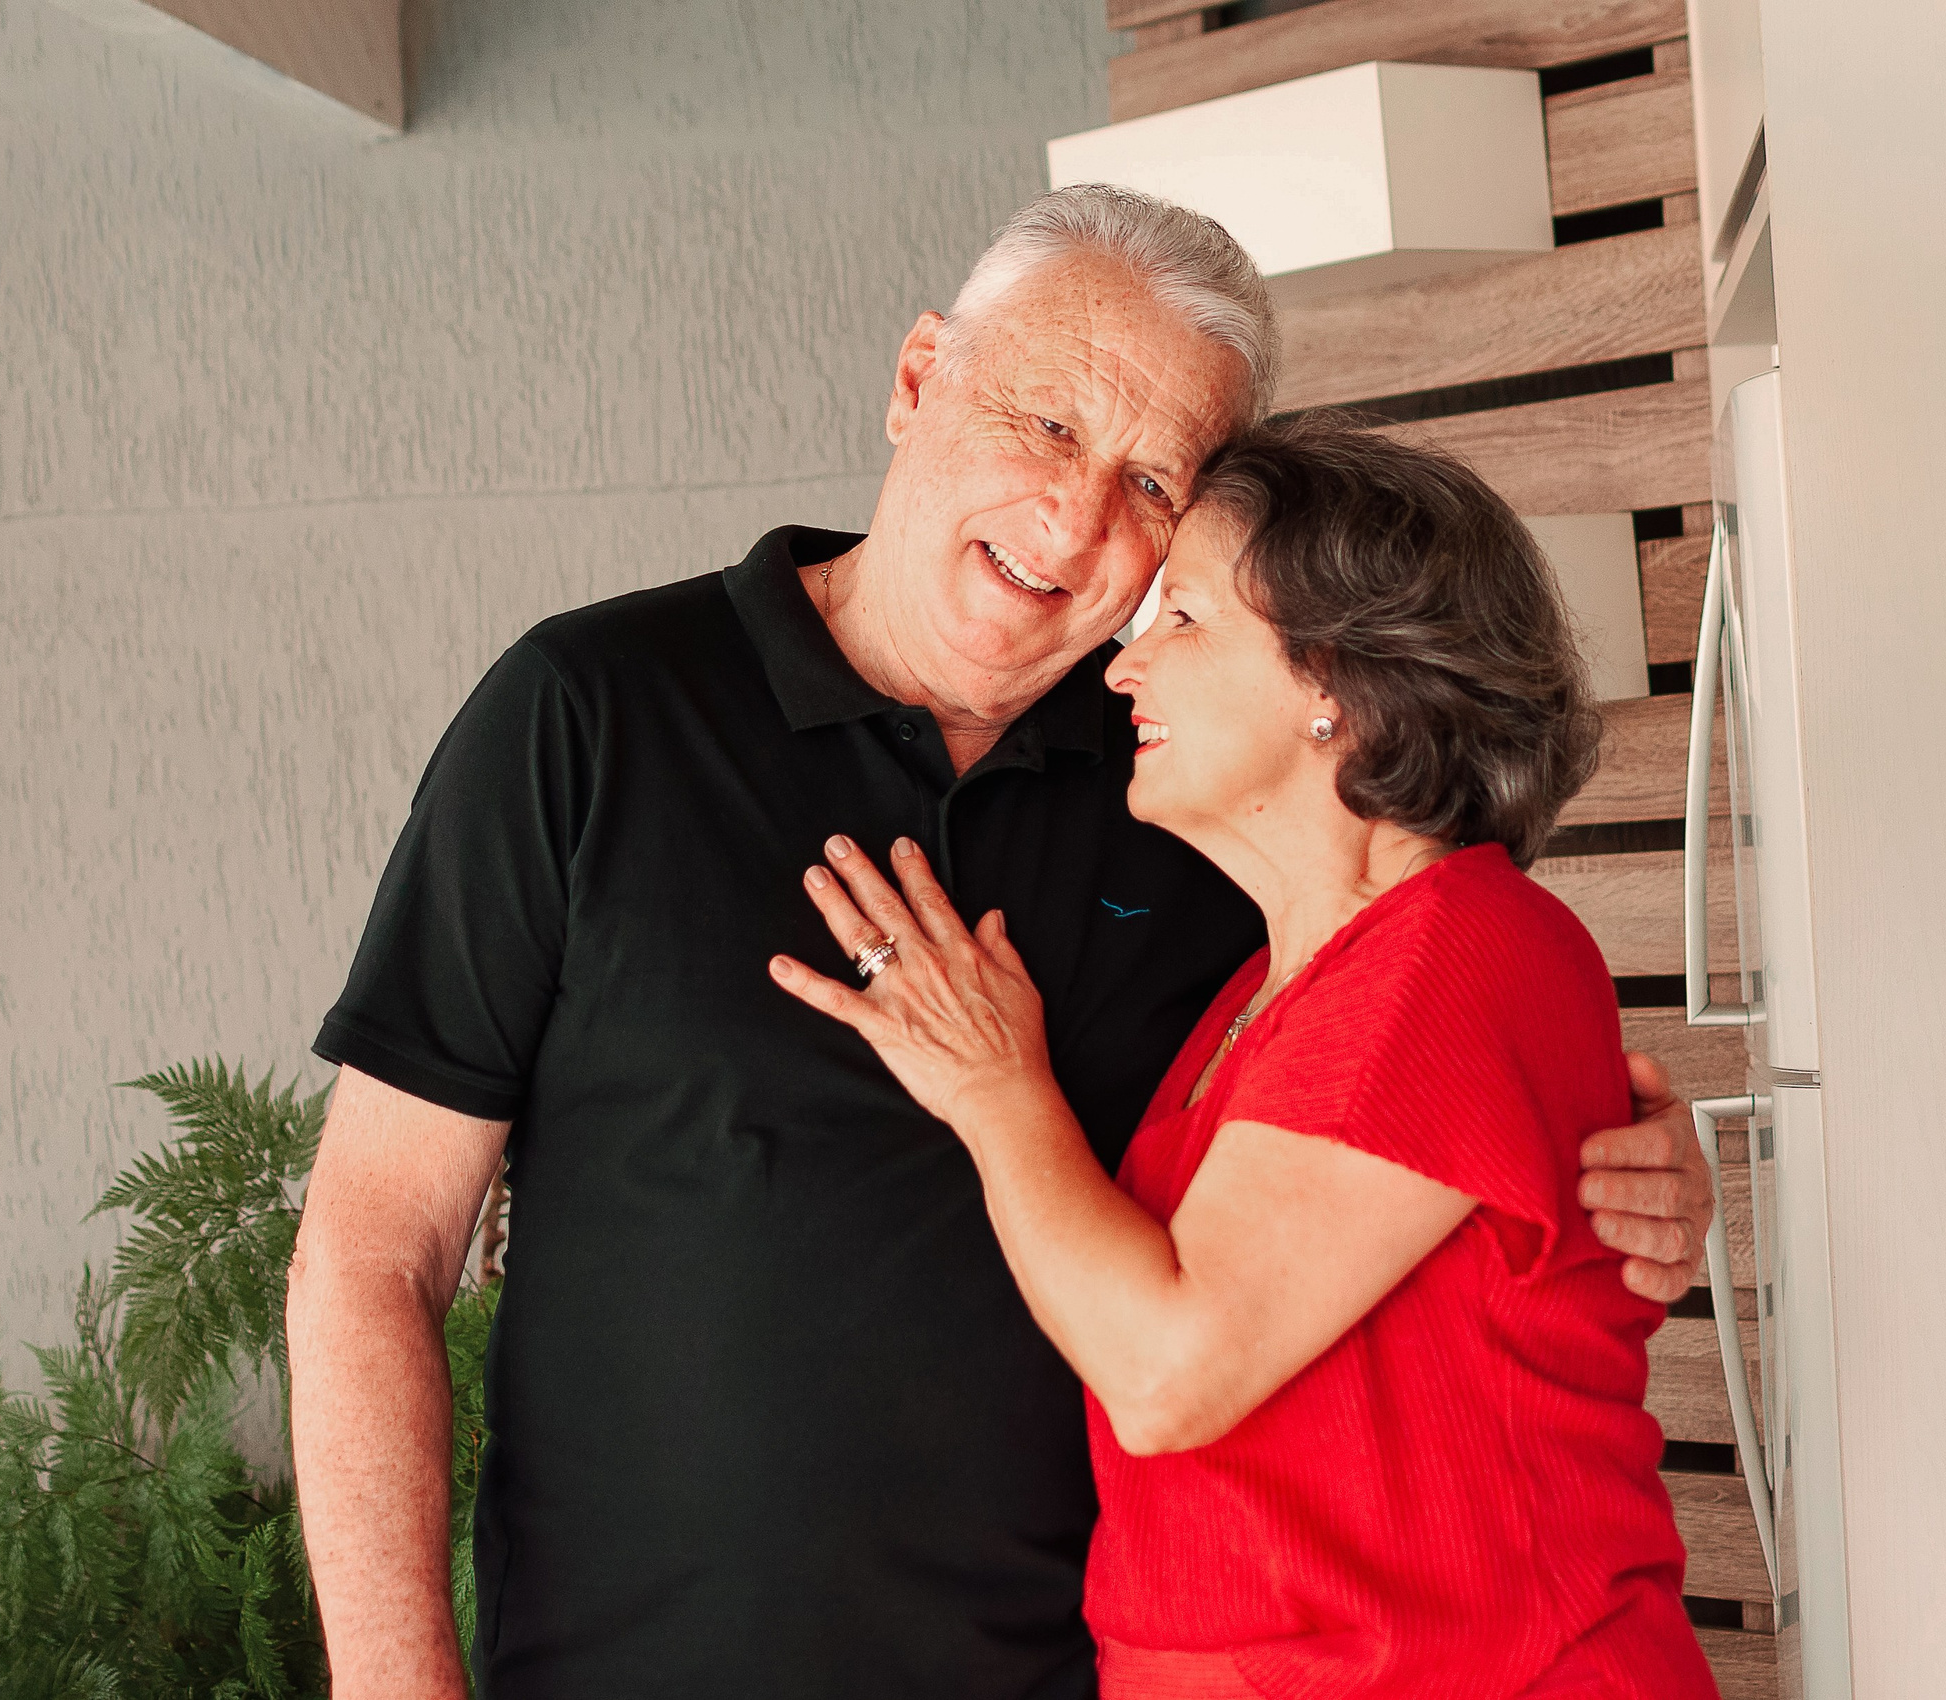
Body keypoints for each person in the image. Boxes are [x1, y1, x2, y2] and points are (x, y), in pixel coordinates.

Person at [287, 186, 1717, 1700]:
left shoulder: (1189, 785)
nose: (1076, 521)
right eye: (1045, 425)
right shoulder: (589, 713)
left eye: (1152, 479)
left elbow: (1408, 1028)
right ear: (918, 382)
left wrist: (1608, 1163)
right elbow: (378, 1246)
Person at [772, 413, 1719, 1699]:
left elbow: (1169, 1371)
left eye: (1184, 619)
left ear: (1335, 675)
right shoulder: (1253, 990)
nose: (1121, 667)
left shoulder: (1458, 944)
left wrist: (996, 1091)